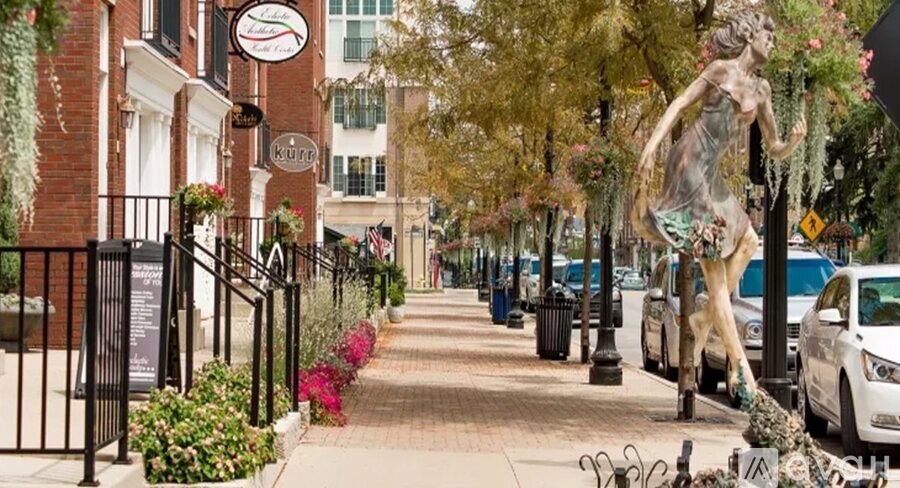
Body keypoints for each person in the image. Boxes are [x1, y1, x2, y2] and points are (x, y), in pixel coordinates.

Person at [632, 11, 808, 394]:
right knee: (713, 268)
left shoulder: (762, 91)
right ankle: (740, 369)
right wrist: (650, 147)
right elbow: (679, 103)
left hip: (712, 176)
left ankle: (703, 320)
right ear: (749, 37)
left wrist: (793, 142)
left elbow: (773, 147)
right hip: (690, 161)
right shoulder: (719, 70)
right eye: (767, 36)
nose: (771, 43)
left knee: (749, 242)